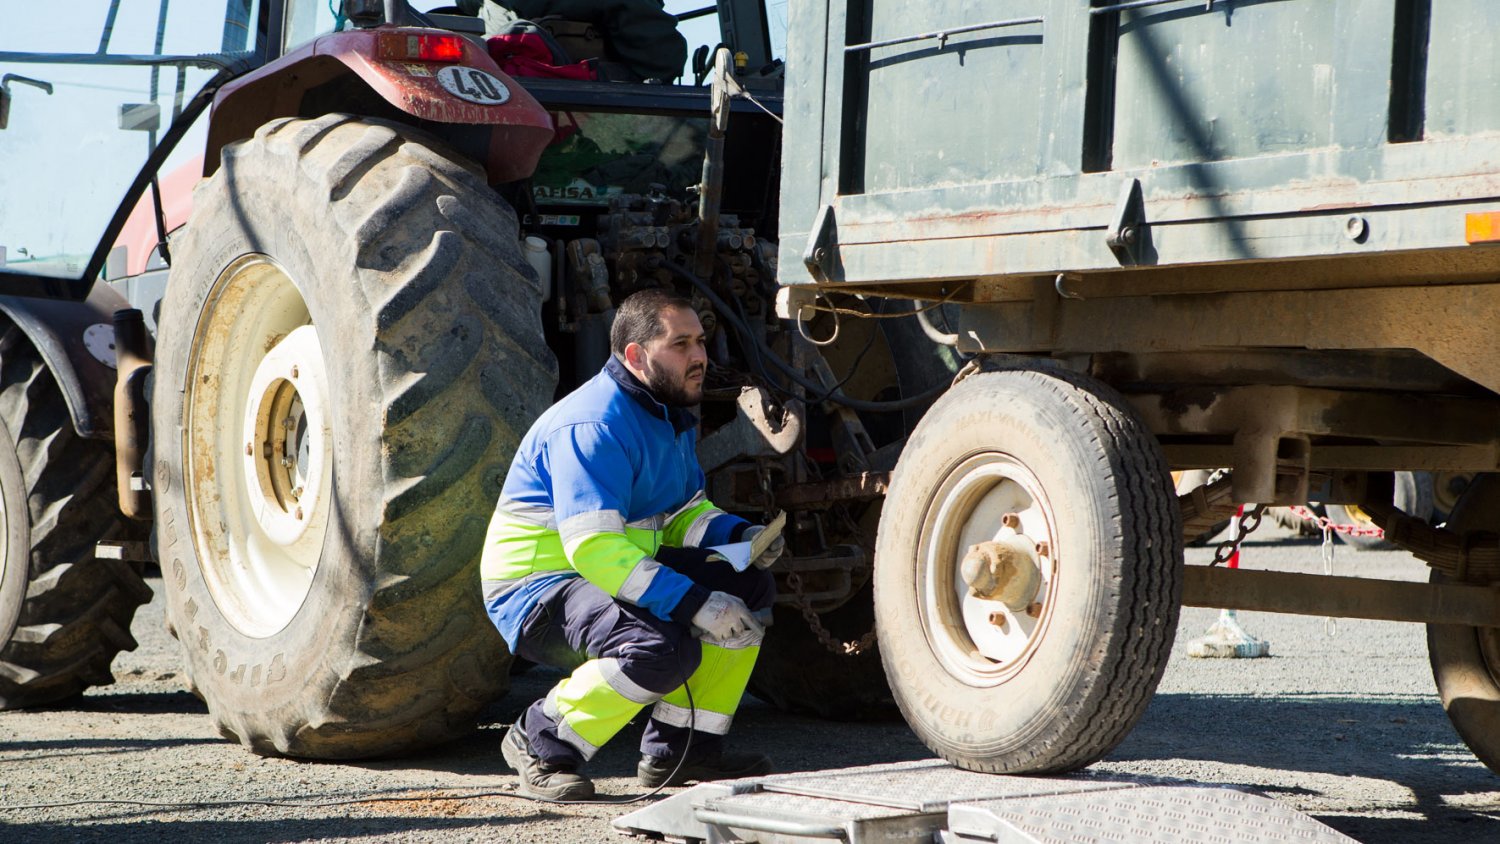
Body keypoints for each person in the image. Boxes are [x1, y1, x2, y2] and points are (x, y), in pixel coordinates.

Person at [480, 288, 784, 801]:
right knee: (662, 647)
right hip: (538, 587)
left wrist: (740, 536)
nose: (700, 357)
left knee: (748, 586)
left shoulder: (666, 414)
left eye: (701, 342)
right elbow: (595, 547)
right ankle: (542, 739)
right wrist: (694, 602)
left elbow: (681, 515)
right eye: (681, 344)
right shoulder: (593, 425)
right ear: (637, 357)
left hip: (608, 568)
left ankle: (683, 752)